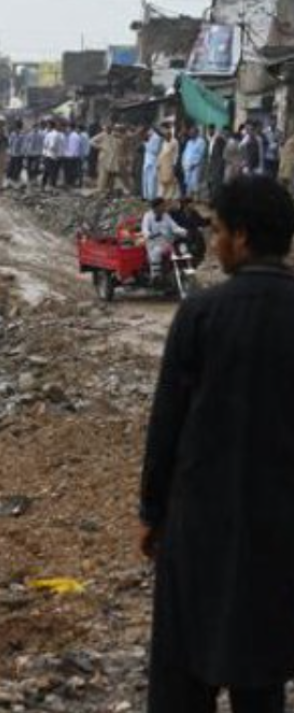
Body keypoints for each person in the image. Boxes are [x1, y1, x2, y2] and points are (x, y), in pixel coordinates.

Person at [141, 177, 294, 713]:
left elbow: (167, 424)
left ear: (243, 237)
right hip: (279, 529)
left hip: (199, 523)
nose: (217, 242)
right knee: (262, 673)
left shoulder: (202, 314)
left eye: (221, 231)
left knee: (183, 674)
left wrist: (151, 511)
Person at [140, 197, 188, 277]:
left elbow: (174, 227)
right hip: (154, 243)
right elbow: (145, 229)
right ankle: (156, 276)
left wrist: (184, 231)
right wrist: (149, 235)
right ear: (156, 207)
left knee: (182, 250)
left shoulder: (166, 216)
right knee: (156, 252)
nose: (164, 207)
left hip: (167, 242)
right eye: (162, 206)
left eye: (164, 205)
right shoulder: (147, 216)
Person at [181, 125, 208, 199]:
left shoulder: (201, 142)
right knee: (188, 184)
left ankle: (196, 199)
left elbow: (200, 154)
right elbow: (185, 153)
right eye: (190, 133)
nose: (190, 134)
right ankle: (189, 198)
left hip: (195, 167)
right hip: (187, 166)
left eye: (192, 132)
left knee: (195, 184)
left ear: (196, 133)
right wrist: (183, 163)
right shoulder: (189, 142)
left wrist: (193, 164)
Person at [158, 127, 181, 201]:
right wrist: (159, 164)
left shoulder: (175, 142)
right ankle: (163, 198)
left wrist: (174, 165)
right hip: (163, 165)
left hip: (170, 164)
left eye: (167, 134)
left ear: (170, 134)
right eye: (164, 135)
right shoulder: (164, 142)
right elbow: (161, 153)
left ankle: (169, 198)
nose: (165, 136)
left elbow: (176, 154)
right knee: (163, 181)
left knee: (170, 181)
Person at [141, 126, 163, 201]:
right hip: (147, 161)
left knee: (151, 181)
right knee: (145, 180)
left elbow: (155, 150)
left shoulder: (156, 138)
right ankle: (145, 196)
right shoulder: (148, 137)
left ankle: (151, 197)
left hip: (152, 161)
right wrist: (146, 141)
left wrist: (146, 143)